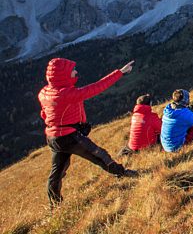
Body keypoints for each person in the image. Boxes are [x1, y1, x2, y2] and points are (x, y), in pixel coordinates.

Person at [38, 58, 138, 207]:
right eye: (72, 70)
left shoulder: (45, 92)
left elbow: (44, 114)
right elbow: (97, 87)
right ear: (63, 75)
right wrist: (120, 72)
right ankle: (121, 173)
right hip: (69, 136)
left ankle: (54, 204)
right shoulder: (66, 94)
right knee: (99, 155)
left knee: (57, 172)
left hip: (53, 137)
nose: (76, 72)